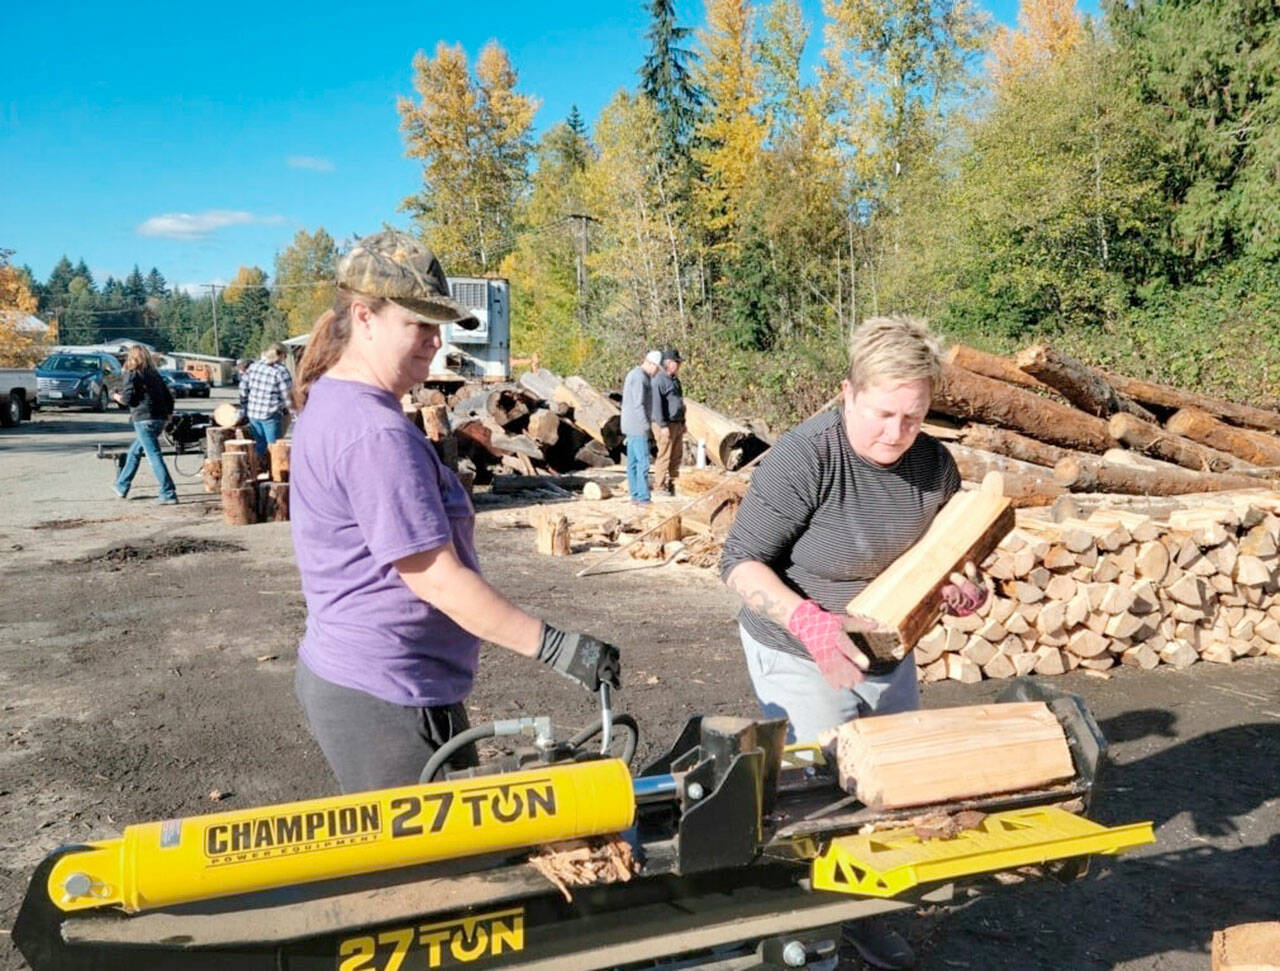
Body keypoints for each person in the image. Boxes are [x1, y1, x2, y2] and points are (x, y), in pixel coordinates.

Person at [289, 229, 621, 794]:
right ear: (365, 317)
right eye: (418, 325)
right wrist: (560, 648)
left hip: (388, 682)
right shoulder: (371, 432)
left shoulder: (343, 403)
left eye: (437, 326)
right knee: (440, 877)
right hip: (386, 694)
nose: (434, 342)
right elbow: (438, 581)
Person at [719, 315, 985, 971]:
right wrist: (809, 622)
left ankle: (868, 913)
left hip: (887, 643)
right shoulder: (805, 458)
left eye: (913, 417)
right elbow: (739, 562)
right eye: (882, 413)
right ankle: (809, 926)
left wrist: (967, 585)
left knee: (893, 783)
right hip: (796, 643)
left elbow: (957, 555)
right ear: (847, 392)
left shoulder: (934, 465)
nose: (896, 433)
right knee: (822, 789)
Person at [111, 346, 178, 505]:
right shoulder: (154, 375)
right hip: (159, 419)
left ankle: (168, 492)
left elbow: (128, 400)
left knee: (153, 456)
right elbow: (169, 397)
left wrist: (115, 396)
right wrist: (168, 414)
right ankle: (121, 485)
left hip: (143, 419)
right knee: (134, 451)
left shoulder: (131, 374)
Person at [238, 342, 294, 458]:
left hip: (253, 412)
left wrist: (245, 405)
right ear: (281, 355)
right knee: (275, 447)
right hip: (270, 414)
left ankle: (260, 469)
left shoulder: (254, 367)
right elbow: (287, 395)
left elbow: (243, 388)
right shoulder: (281, 371)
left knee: (260, 445)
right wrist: (292, 412)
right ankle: (275, 474)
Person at [621, 349, 661, 504]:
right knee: (643, 462)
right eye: (657, 368)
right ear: (650, 364)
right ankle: (642, 497)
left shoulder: (636, 374)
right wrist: (646, 427)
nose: (657, 372)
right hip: (637, 426)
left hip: (631, 425)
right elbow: (638, 404)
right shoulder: (639, 378)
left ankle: (635, 495)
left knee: (632, 463)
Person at [650, 347, 686, 497]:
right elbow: (656, 405)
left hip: (677, 423)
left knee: (676, 455)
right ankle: (659, 486)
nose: (678, 365)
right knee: (664, 455)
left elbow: (680, 402)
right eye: (676, 362)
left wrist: (683, 422)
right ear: (668, 363)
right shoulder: (659, 380)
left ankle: (673, 484)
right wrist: (663, 425)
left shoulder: (675, 381)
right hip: (664, 424)